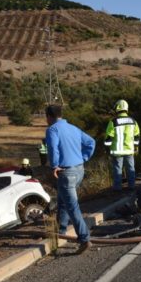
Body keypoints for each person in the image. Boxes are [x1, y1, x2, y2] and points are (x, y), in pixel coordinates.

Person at [45, 104, 95, 254]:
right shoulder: (73, 128)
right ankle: (61, 229)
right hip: (79, 170)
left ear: (49, 117)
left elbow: (53, 149)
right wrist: (84, 157)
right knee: (63, 200)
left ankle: (85, 239)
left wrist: (54, 166)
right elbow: (91, 142)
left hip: (66, 173)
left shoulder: (52, 130)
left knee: (72, 206)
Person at [104, 99, 140, 191]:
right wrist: (136, 147)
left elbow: (108, 138)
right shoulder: (133, 121)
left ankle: (117, 189)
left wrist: (107, 149)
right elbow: (137, 136)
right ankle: (132, 187)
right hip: (129, 150)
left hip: (117, 151)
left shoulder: (113, 122)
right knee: (131, 169)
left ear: (117, 108)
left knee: (117, 170)